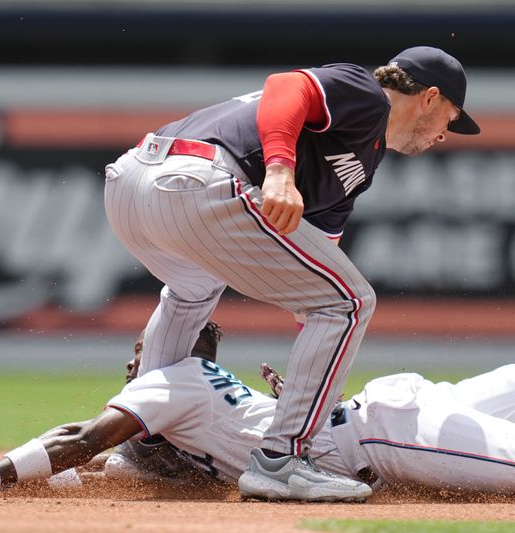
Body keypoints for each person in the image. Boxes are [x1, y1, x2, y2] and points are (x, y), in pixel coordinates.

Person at [101, 45, 480, 501]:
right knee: (353, 302)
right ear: (430, 97)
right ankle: (281, 460)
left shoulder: (362, 162)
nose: (446, 134)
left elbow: (315, 273)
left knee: (193, 289)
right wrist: (280, 170)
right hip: (197, 180)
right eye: (451, 118)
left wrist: (311, 381)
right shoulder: (367, 94)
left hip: (132, 185)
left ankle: (145, 446)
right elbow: (288, 85)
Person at [0, 322, 515, 499]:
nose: (132, 364)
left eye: (140, 350)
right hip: (391, 411)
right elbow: (96, 467)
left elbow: (83, 439)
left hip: (386, 434)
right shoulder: (185, 399)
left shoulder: (171, 381)